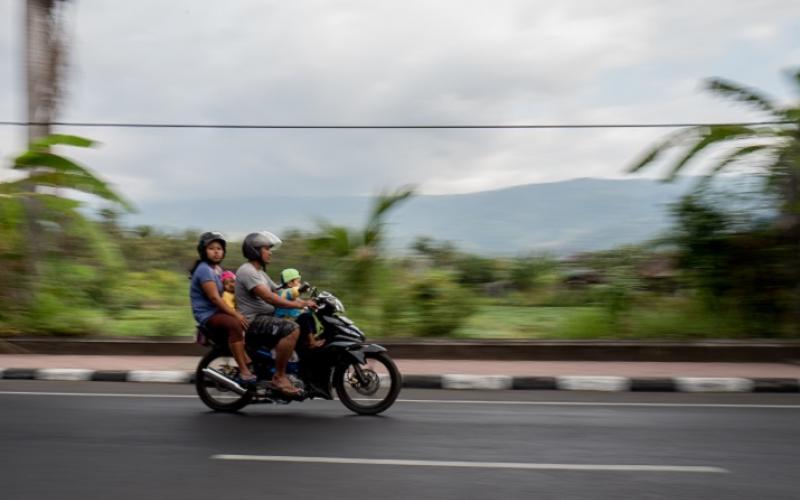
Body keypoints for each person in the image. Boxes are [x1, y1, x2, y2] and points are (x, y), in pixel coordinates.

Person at [235, 231, 323, 397]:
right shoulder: (247, 271)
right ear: (255, 250)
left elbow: (278, 290)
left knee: (303, 320)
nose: (270, 252)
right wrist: (299, 303)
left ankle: (296, 370)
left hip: (267, 317)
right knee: (292, 328)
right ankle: (279, 377)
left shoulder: (260, 273)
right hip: (255, 322)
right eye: (267, 248)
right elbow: (270, 297)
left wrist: (303, 294)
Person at [189, 232, 254, 383]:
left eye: (219, 248)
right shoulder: (204, 269)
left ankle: (249, 358)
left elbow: (230, 289)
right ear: (203, 251)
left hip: (217, 311)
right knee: (235, 324)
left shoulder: (217, 269)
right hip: (208, 314)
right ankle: (244, 370)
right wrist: (235, 314)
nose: (217, 251)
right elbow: (214, 298)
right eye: (212, 248)